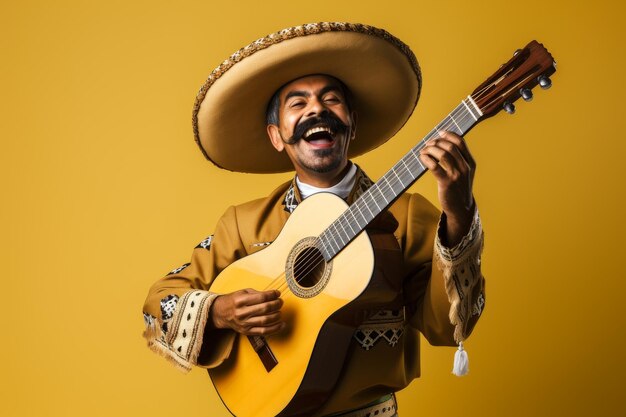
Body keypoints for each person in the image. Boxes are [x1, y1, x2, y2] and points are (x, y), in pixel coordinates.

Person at [142, 22, 485, 417]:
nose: (317, 109)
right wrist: (219, 310)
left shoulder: (409, 216)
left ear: (351, 123)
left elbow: (450, 326)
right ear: (277, 136)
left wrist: (458, 215)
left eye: (330, 99)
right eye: (298, 103)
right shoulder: (243, 224)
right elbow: (158, 304)